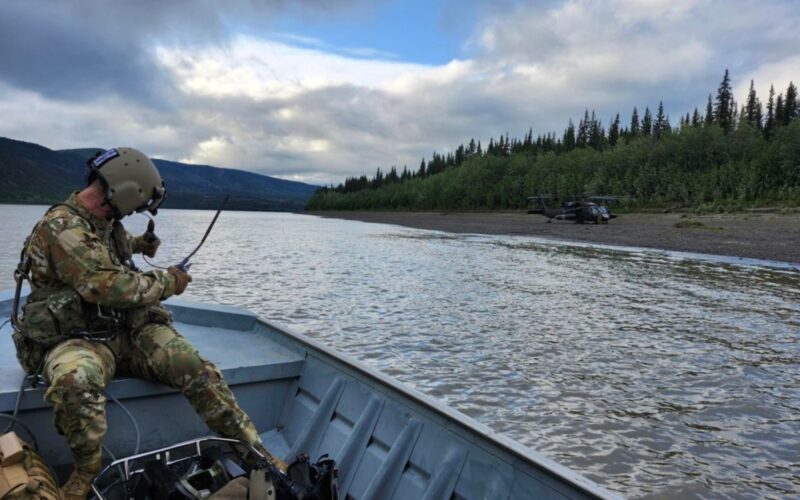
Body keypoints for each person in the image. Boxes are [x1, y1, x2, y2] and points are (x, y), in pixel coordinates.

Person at [12, 148, 282, 499]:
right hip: (76, 339)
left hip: (126, 331)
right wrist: (169, 282)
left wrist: (143, 245)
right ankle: (85, 471)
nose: (131, 213)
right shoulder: (62, 227)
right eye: (135, 206)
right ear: (123, 192)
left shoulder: (103, 223)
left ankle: (256, 453)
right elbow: (105, 284)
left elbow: (112, 248)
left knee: (193, 366)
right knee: (74, 380)